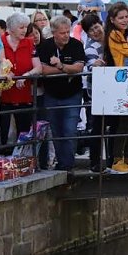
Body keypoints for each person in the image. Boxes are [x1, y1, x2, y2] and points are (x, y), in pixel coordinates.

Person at [37, 16, 86, 171]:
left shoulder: (76, 45)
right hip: (52, 94)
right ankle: (62, 163)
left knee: (70, 129)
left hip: (72, 94)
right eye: (62, 33)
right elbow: (43, 70)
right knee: (56, 130)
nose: (66, 35)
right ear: (53, 33)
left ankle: (68, 164)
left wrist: (60, 65)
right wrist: (65, 69)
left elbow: (78, 68)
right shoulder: (45, 46)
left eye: (67, 32)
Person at [103, 2, 128, 173]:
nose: (125, 20)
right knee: (125, 121)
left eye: (127, 16)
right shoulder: (114, 34)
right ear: (112, 19)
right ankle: (117, 159)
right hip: (120, 80)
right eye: (121, 17)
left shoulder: (123, 32)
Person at [0, 13, 42, 151]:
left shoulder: (29, 43)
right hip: (4, 95)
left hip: (24, 94)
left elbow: (38, 67)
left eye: (26, 27)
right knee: (3, 132)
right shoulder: (1, 41)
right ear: (11, 29)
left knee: (23, 131)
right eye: (21, 27)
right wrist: (5, 73)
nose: (24, 30)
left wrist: (26, 75)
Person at [82, 14, 108, 172]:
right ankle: (95, 161)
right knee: (97, 126)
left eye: (97, 27)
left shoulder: (112, 38)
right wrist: (95, 64)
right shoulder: (91, 47)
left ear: (101, 24)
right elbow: (91, 64)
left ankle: (113, 160)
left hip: (113, 88)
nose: (95, 31)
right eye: (91, 30)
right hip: (97, 91)